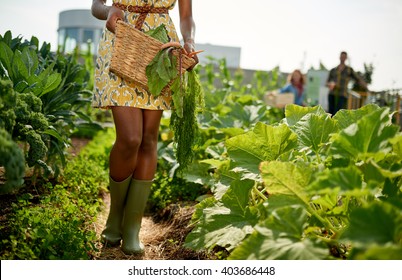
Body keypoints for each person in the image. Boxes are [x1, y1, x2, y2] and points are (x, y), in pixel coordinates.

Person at [90, 0, 199, 255]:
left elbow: (186, 16)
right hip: (123, 38)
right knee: (130, 138)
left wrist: (189, 40)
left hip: (161, 50)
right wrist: (108, 11)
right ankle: (114, 216)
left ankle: (132, 228)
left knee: (149, 140)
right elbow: (96, 4)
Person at [326, 51, 367, 115]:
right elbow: (327, 82)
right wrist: (330, 84)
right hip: (332, 93)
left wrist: (364, 84)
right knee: (330, 112)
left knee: (338, 113)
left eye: (344, 57)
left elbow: (357, 79)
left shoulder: (349, 70)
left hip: (342, 94)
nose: (342, 58)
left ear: (346, 58)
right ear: (339, 57)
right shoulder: (333, 70)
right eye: (341, 56)